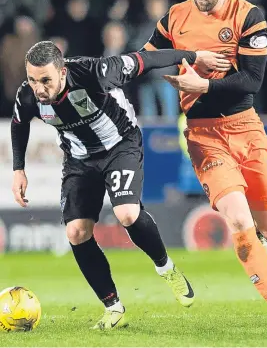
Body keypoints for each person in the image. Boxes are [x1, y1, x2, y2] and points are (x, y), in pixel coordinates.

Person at [11, 41, 224, 330]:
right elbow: (19, 123)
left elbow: (145, 60)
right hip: (79, 159)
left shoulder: (95, 72)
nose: (39, 88)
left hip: (119, 146)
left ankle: (166, 268)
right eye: (33, 79)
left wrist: (194, 56)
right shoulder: (28, 95)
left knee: (126, 213)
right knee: (76, 232)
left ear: (62, 72)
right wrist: (18, 169)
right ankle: (113, 307)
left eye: (46, 80)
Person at [143, 0, 267, 328]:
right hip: (203, 136)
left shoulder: (248, 15)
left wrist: (203, 85)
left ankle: (261, 246)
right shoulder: (175, 16)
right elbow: (146, 58)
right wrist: (187, 58)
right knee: (240, 222)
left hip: (246, 128)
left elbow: (252, 81)